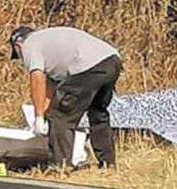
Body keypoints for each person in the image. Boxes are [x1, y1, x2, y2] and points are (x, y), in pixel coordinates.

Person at [9, 25, 122, 169]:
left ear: (18, 45)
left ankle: (59, 166)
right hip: (112, 61)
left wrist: (38, 117)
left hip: (87, 67)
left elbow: (37, 80)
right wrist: (42, 115)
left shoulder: (30, 45)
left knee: (59, 116)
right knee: (98, 113)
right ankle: (108, 163)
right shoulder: (48, 42)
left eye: (18, 55)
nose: (22, 59)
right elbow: (49, 91)